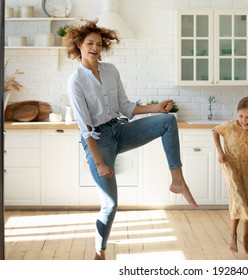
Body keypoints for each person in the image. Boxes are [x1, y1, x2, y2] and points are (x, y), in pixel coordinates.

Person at [65, 19, 198, 260]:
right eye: (89, 43)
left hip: (118, 129)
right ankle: (100, 250)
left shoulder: (110, 71)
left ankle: (177, 181)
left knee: (167, 121)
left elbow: (125, 106)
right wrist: (99, 162)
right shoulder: (76, 81)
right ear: (79, 46)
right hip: (98, 141)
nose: (94, 47)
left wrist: (156, 108)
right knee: (110, 205)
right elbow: (84, 128)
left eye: (98, 43)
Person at [213, 97, 248, 255]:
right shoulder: (230, 126)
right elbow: (215, 132)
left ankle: (245, 237)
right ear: (237, 114)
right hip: (230, 166)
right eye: (241, 116)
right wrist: (220, 153)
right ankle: (233, 235)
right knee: (238, 196)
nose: (244, 120)